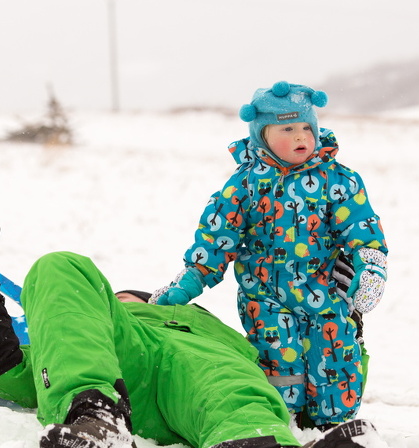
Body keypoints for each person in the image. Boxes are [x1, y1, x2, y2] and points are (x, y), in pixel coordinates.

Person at [0, 198, 375, 448]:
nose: (131, 298)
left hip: (204, 380)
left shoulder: (216, 333)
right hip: (123, 368)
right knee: (56, 264)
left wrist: (343, 315)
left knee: (226, 379)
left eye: (135, 296)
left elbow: (322, 384)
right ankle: (98, 421)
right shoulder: (99, 328)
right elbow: (8, 368)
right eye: (118, 298)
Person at [150, 81, 388, 428]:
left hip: (323, 287)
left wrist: (372, 267)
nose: (300, 136)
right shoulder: (244, 185)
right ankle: (281, 418)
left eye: (306, 127)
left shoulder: (338, 180)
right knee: (278, 357)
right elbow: (218, 239)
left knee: (335, 353)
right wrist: (188, 283)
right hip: (265, 295)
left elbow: (361, 227)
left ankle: (334, 424)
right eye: (287, 128)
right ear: (262, 134)